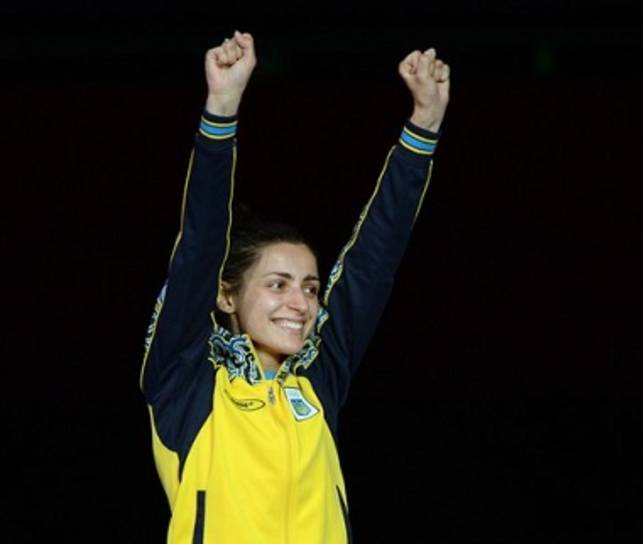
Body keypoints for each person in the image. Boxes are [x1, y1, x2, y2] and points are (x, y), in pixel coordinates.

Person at [139, 30, 450, 543]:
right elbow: (199, 247)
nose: (300, 304)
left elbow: (371, 265)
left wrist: (425, 125)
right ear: (226, 294)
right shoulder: (187, 385)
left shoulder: (317, 382)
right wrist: (221, 109)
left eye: (309, 288)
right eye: (278, 284)